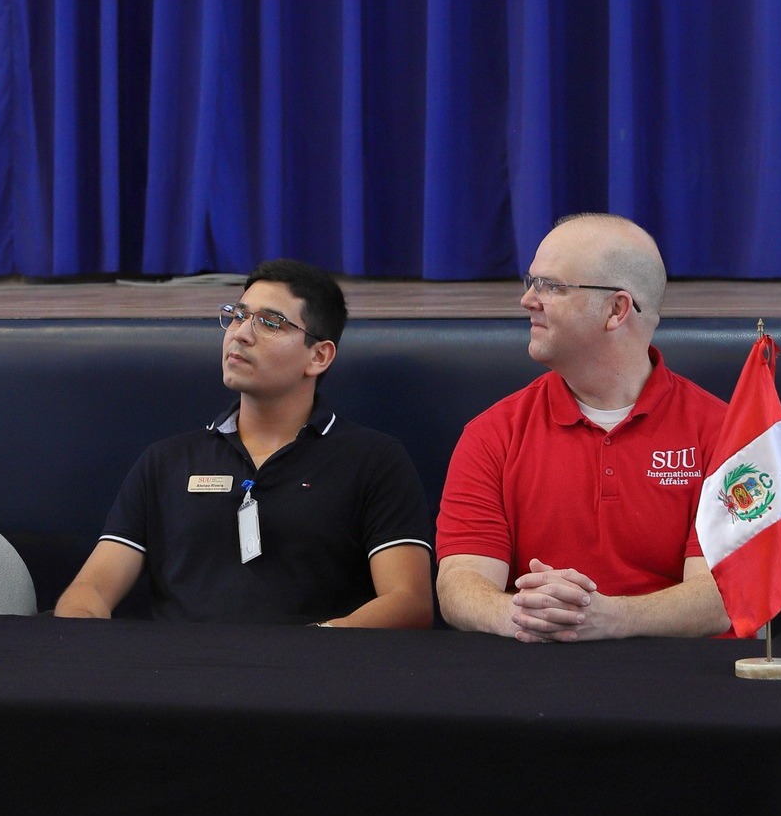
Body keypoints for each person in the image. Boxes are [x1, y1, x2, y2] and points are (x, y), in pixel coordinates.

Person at [54, 259, 434, 627]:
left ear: (318, 356)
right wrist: (82, 632)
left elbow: (409, 602)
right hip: (176, 665)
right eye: (237, 315)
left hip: (313, 662)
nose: (241, 334)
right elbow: (91, 590)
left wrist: (314, 645)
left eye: (270, 322)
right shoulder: (166, 461)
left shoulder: (374, 460)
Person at [434, 213, 729, 642]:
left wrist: (611, 618)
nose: (527, 300)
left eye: (551, 286)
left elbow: (724, 595)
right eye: (531, 282)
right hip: (534, 668)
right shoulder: (493, 433)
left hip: (682, 674)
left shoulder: (726, 432)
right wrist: (522, 615)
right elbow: (460, 583)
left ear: (616, 310)